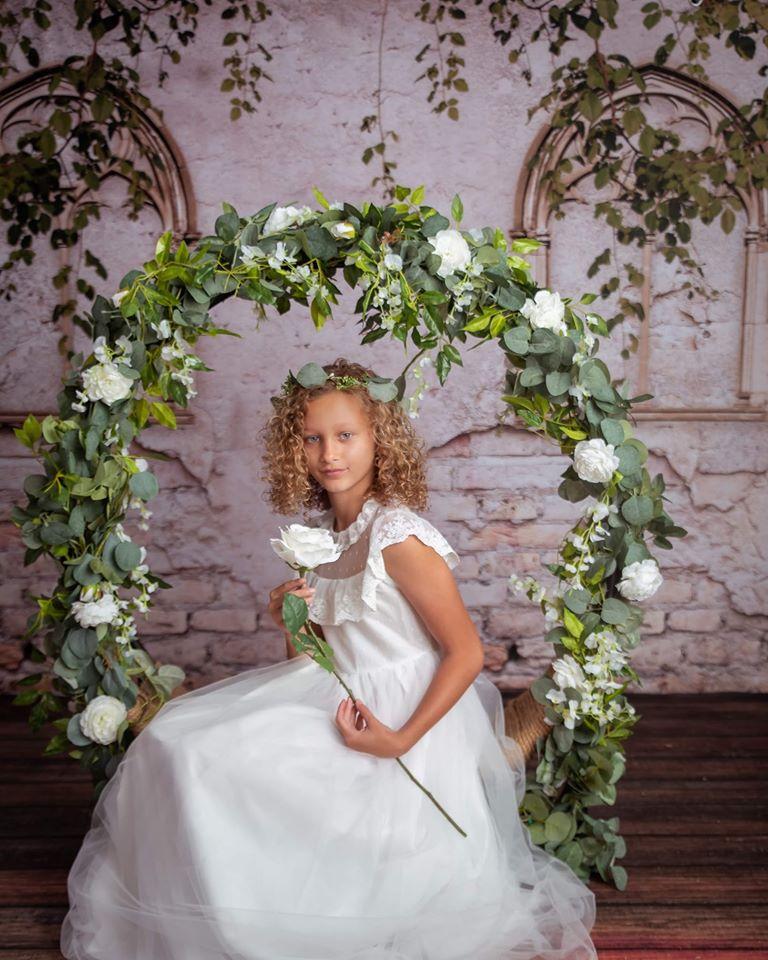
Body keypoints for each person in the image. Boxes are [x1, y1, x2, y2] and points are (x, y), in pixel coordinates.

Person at [60, 356, 598, 960]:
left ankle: (251, 922)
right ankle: (214, 909)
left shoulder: (399, 537)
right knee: (173, 742)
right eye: (312, 439)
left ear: (380, 440)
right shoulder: (321, 542)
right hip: (338, 696)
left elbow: (466, 652)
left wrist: (399, 739)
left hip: (403, 717)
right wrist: (290, 621)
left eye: (346, 435)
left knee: (202, 758)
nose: (329, 453)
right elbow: (313, 666)